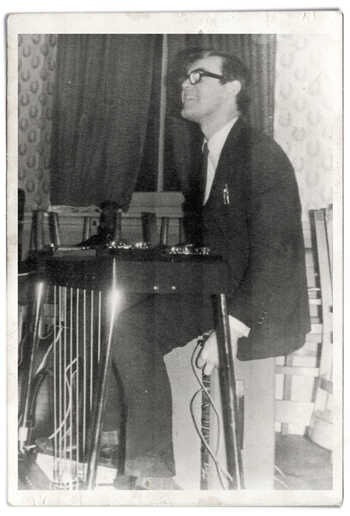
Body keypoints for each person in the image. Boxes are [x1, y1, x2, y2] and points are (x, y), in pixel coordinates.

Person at [103, 49, 310, 490]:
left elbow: (278, 254)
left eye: (201, 76)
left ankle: (152, 471)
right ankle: (109, 451)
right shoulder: (211, 152)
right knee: (117, 314)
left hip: (255, 302)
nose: (186, 83)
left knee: (130, 328)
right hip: (218, 290)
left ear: (233, 88)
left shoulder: (259, 154)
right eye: (185, 77)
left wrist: (232, 324)